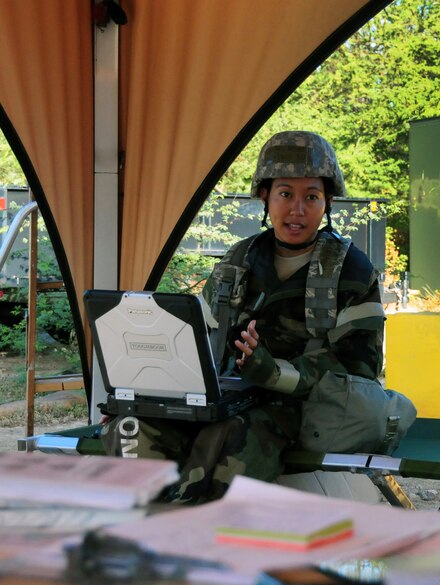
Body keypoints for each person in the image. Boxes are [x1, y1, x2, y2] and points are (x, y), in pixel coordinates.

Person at [102, 131, 386, 504]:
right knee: (131, 428)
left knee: (230, 436)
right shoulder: (238, 261)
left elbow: (358, 369)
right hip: (221, 397)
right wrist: (138, 397)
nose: (297, 209)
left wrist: (271, 371)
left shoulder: (351, 270)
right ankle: (149, 531)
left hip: (297, 409)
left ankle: (195, 535)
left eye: (311, 196)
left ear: (327, 202)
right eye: (285, 194)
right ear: (265, 197)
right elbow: (194, 341)